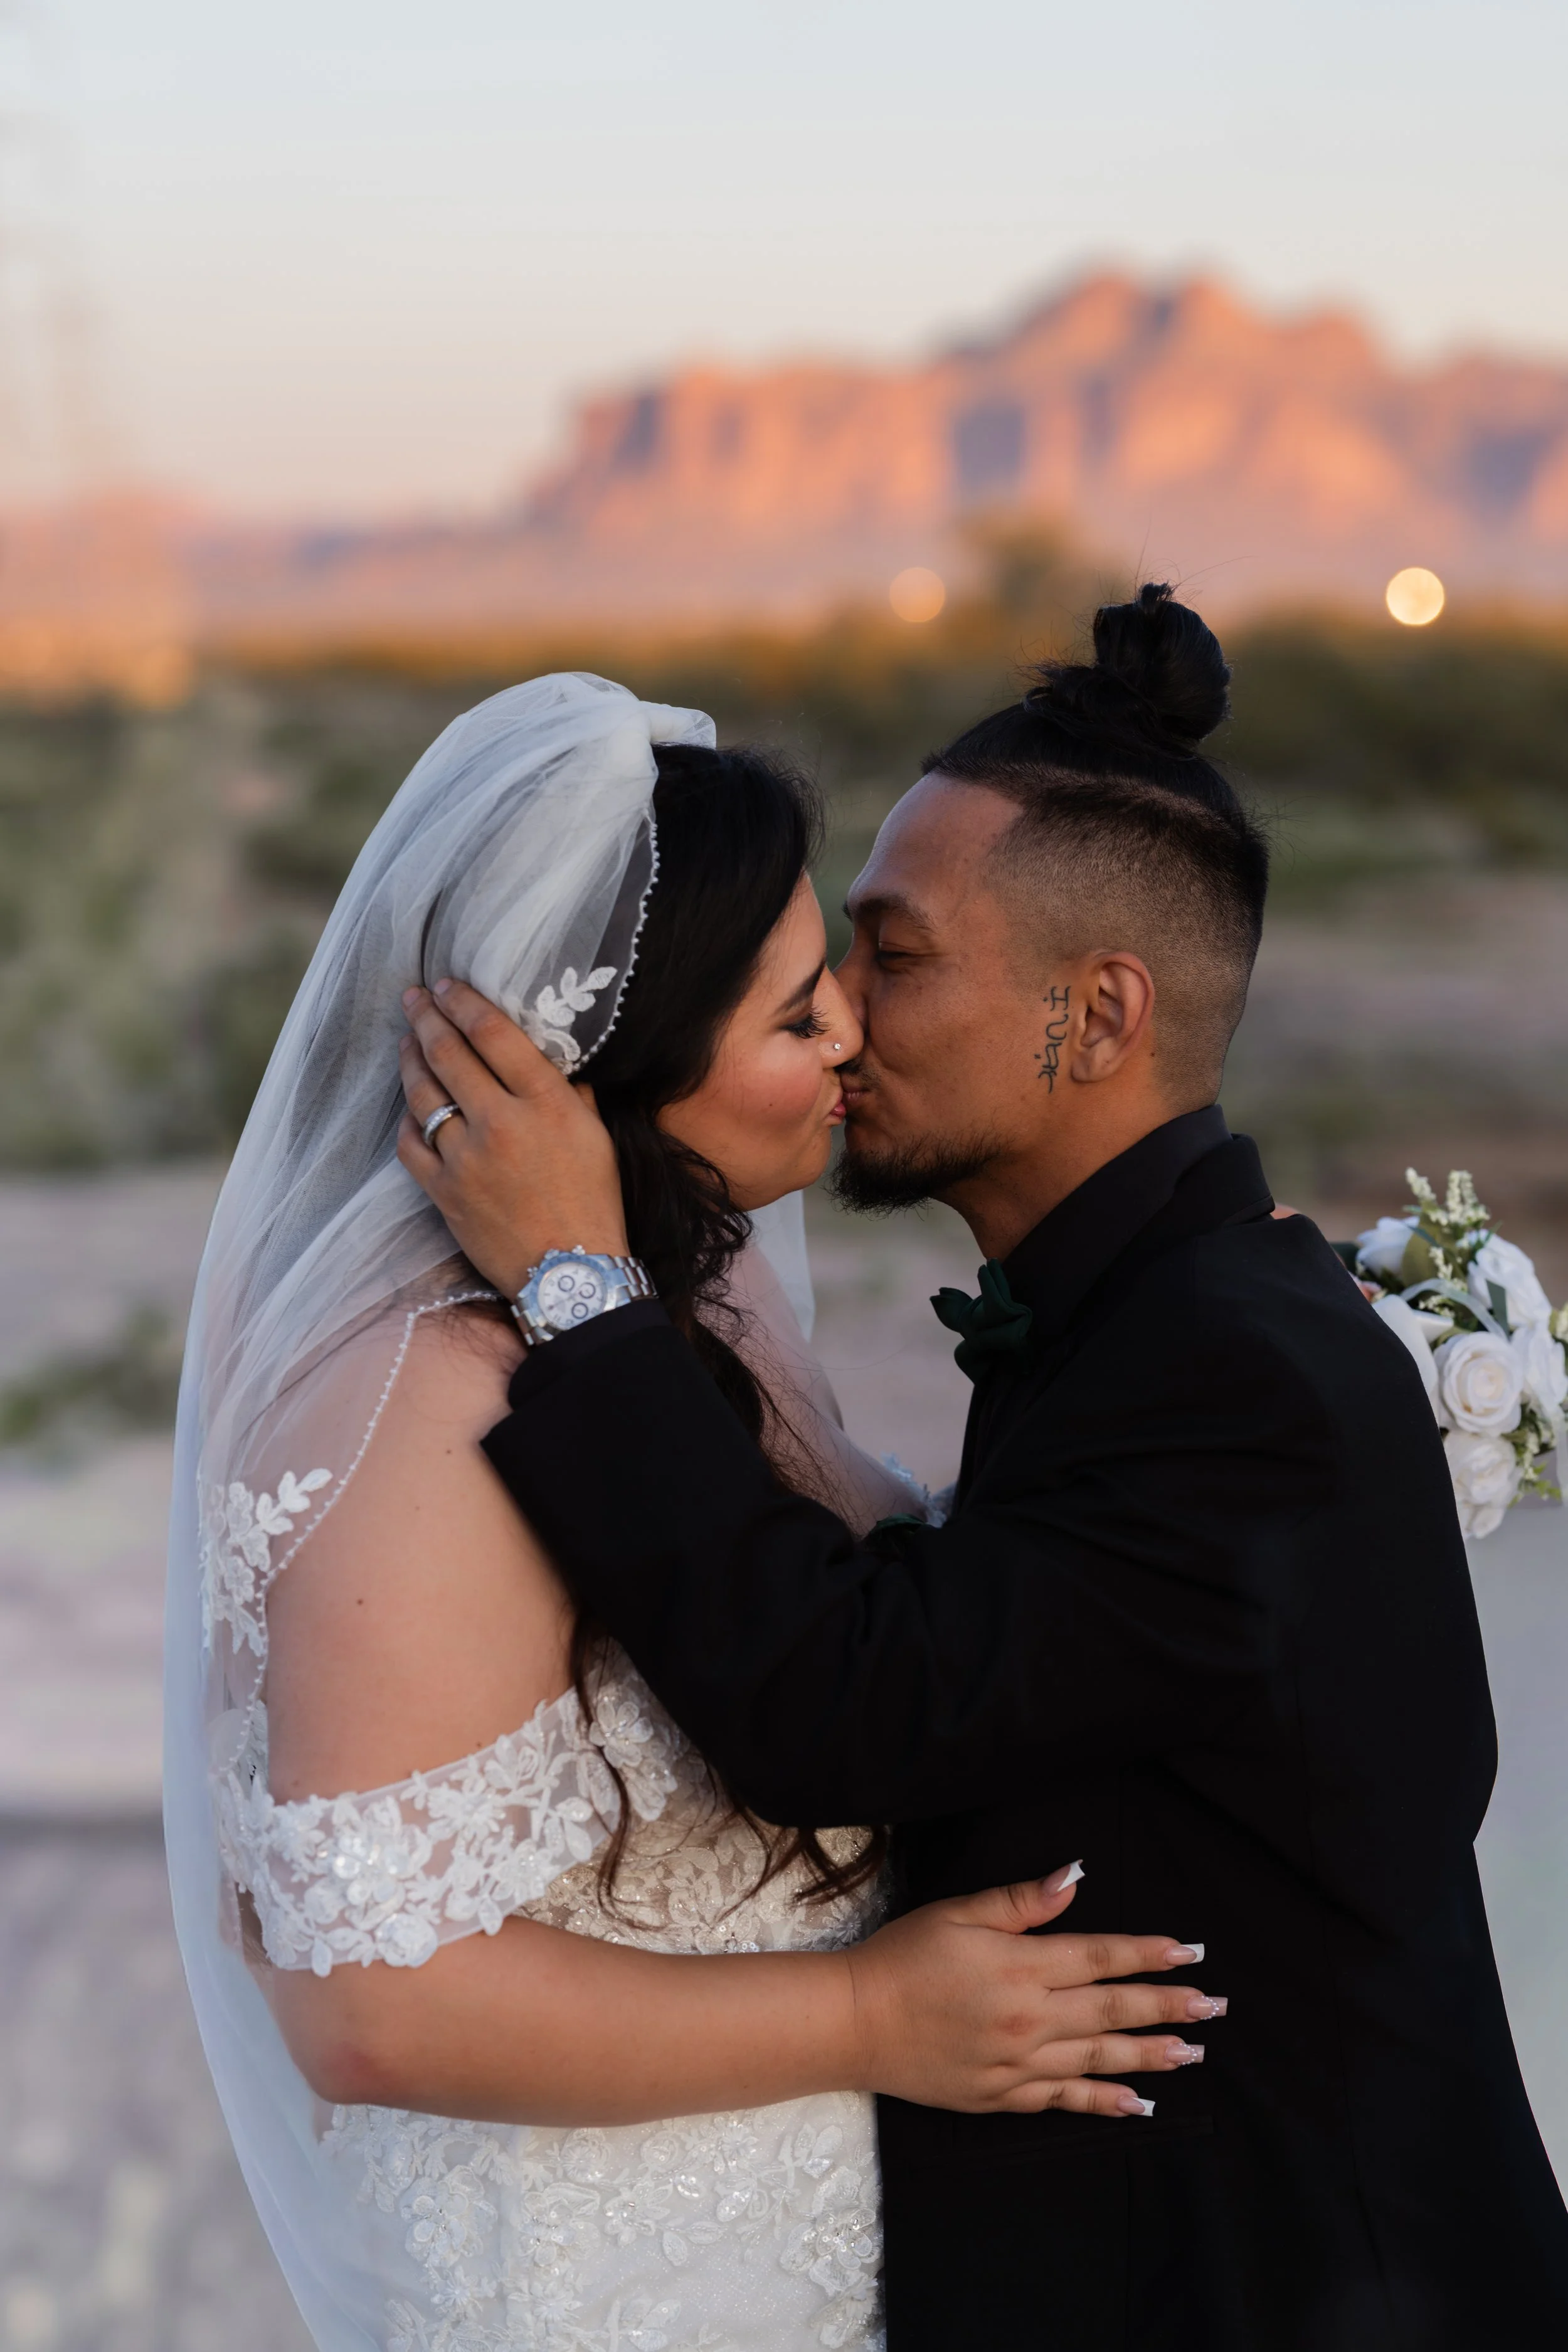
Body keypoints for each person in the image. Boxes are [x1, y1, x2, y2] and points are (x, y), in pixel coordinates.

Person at [399, 593, 1568, 2351]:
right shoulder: (1170, 1305)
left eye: (894, 952)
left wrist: (577, 1287)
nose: (842, 1021)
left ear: (1091, 1017)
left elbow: (838, 1699)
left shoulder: (1233, 1365)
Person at [163, 671, 1223, 2352]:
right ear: (622, 1071)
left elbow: (838, 1629)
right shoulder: (408, 1404)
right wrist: (871, 2013)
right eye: (801, 1014)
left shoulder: (687, 1307)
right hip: (610, 2295)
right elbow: (370, 2007)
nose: (855, 1040)